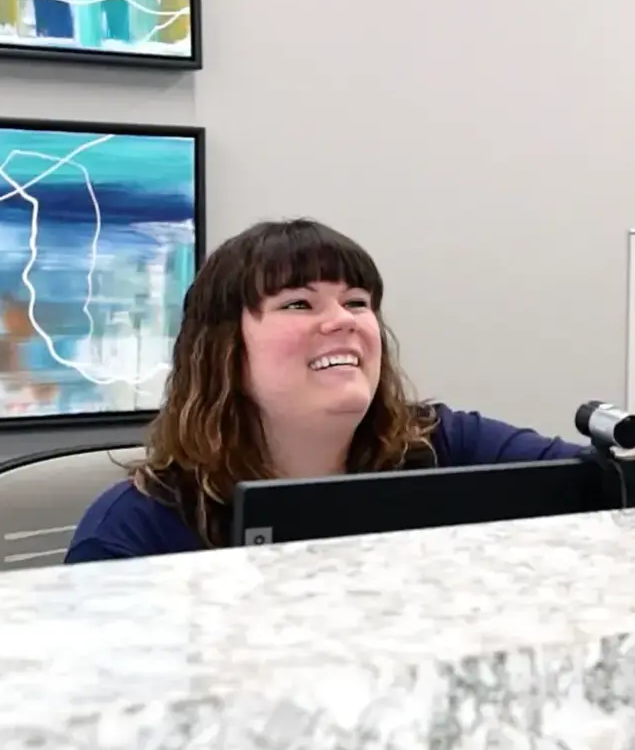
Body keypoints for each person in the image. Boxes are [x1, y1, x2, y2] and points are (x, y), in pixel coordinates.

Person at [65, 218, 585, 563]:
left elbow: (608, 492)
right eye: (299, 304)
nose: (343, 321)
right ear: (223, 348)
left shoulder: (445, 444)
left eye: (358, 302)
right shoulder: (136, 530)